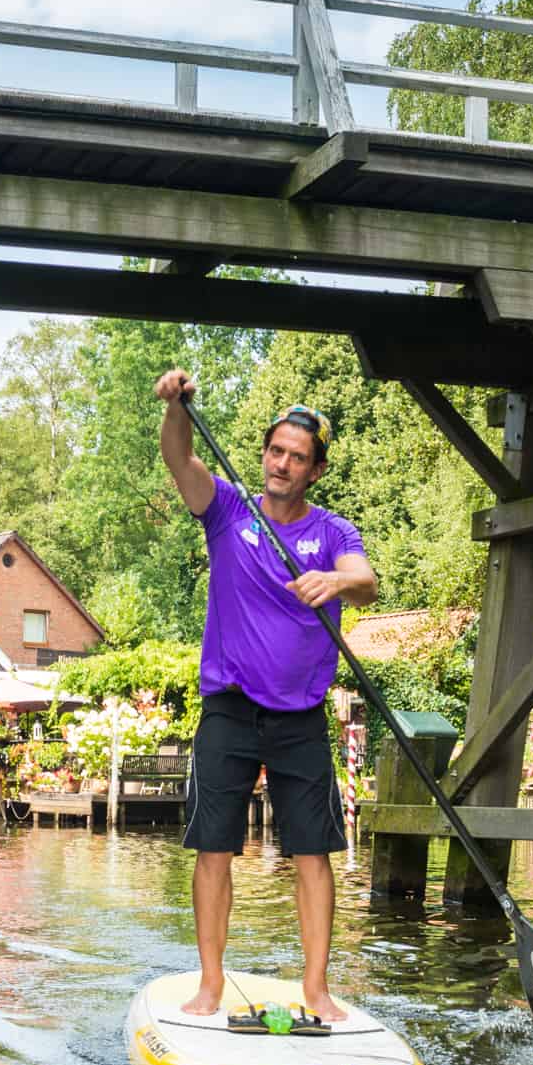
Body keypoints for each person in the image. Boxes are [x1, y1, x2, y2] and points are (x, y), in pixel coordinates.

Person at [155, 374, 376, 1024]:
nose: (282, 464)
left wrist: (333, 581)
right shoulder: (227, 510)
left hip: (300, 716)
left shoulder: (334, 533)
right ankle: (210, 983)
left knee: (314, 852)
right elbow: (179, 457)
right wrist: (177, 409)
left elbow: (366, 582)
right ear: (265, 455)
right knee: (214, 846)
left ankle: (315, 990)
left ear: (316, 469)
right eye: (276, 451)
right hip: (228, 709)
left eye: (297, 456)